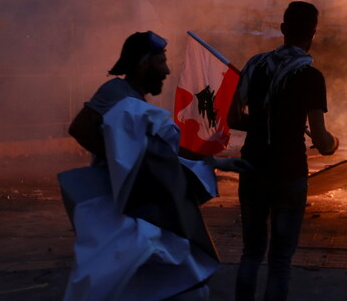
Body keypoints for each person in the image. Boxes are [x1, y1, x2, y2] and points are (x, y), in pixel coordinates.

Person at [60, 31, 248, 301]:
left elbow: (163, 150)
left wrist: (216, 162)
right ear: (143, 64)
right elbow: (79, 128)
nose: (167, 70)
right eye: (161, 62)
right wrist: (124, 164)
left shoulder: (136, 97)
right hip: (124, 202)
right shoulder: (115, 91)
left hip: (144, 199)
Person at [227, 1, 340, 301]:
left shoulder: (255, 65)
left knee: (251, 252)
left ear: (282, 29)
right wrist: (332, 144)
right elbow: (321, 138)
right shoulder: (310, 76)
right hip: (288, 172)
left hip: (251, 167)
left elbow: (233, 118)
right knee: (279, 259)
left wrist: (264, 122)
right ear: (313, 34)